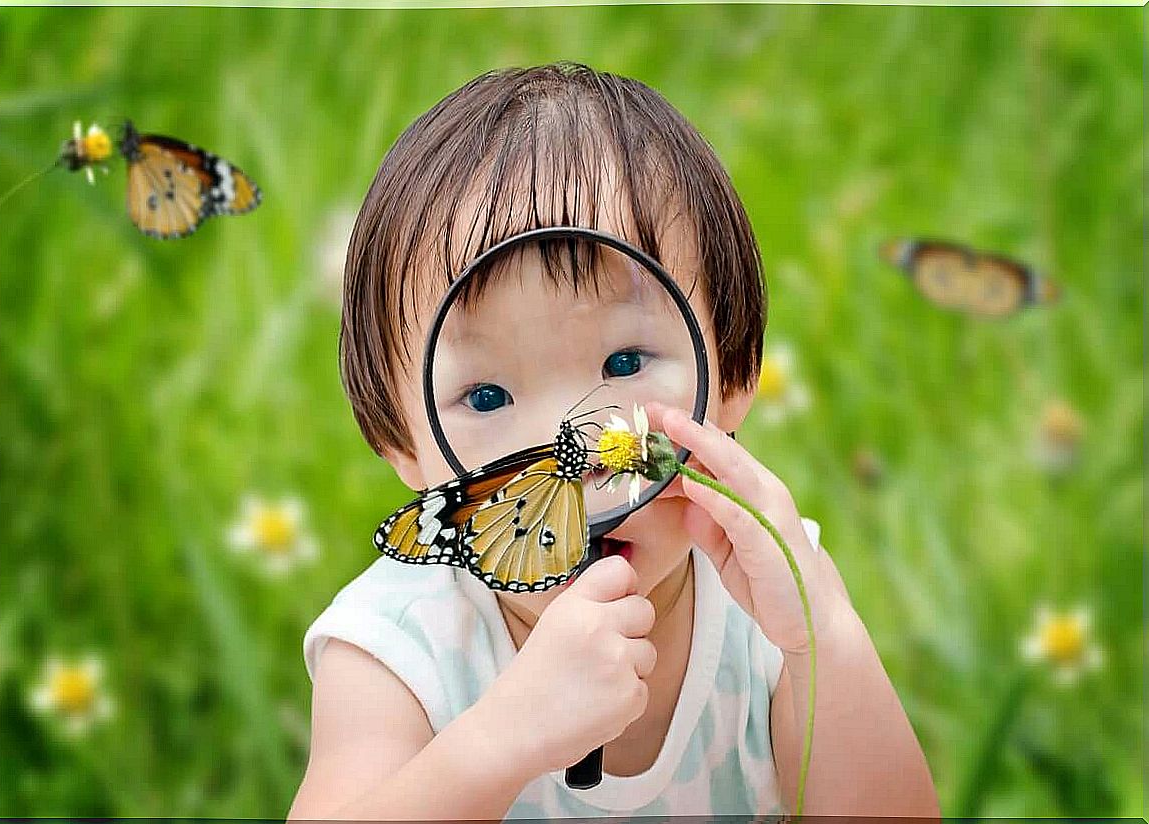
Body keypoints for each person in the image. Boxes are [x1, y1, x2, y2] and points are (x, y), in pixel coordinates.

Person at [289, 62, 939, 820]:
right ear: (398, 441)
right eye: (487, 396)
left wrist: (823, 642)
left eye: (624, 364)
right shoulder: (398, 647)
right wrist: (502, 739)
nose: (575, 455)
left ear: (730, 373)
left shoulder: (772, 595)